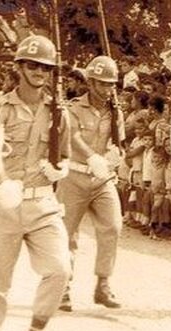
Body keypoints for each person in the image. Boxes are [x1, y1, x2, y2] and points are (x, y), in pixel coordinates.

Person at [0, 34, 71, 331]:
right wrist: (2, 183)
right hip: (5, 201)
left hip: (43, 202)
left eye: (45, 67)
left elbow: (67, 156)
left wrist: (62, 170)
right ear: (18, 68)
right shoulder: (0, 107)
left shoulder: (60, 111)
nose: (39, 72)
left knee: (60, 270)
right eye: (32, 65)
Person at [56, 55, 124, 312]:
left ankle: (103, 284)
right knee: (66, 234)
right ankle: (63, 287)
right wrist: (92, 157)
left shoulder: (115, 111)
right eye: (103, 84)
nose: (108, 90)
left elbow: (120, 143)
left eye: (111, 85)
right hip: (74, 176)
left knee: (113, 226)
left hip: (102, 178)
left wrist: (115, 157)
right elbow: (72, 137)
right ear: (91, 82)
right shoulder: (73, 109)